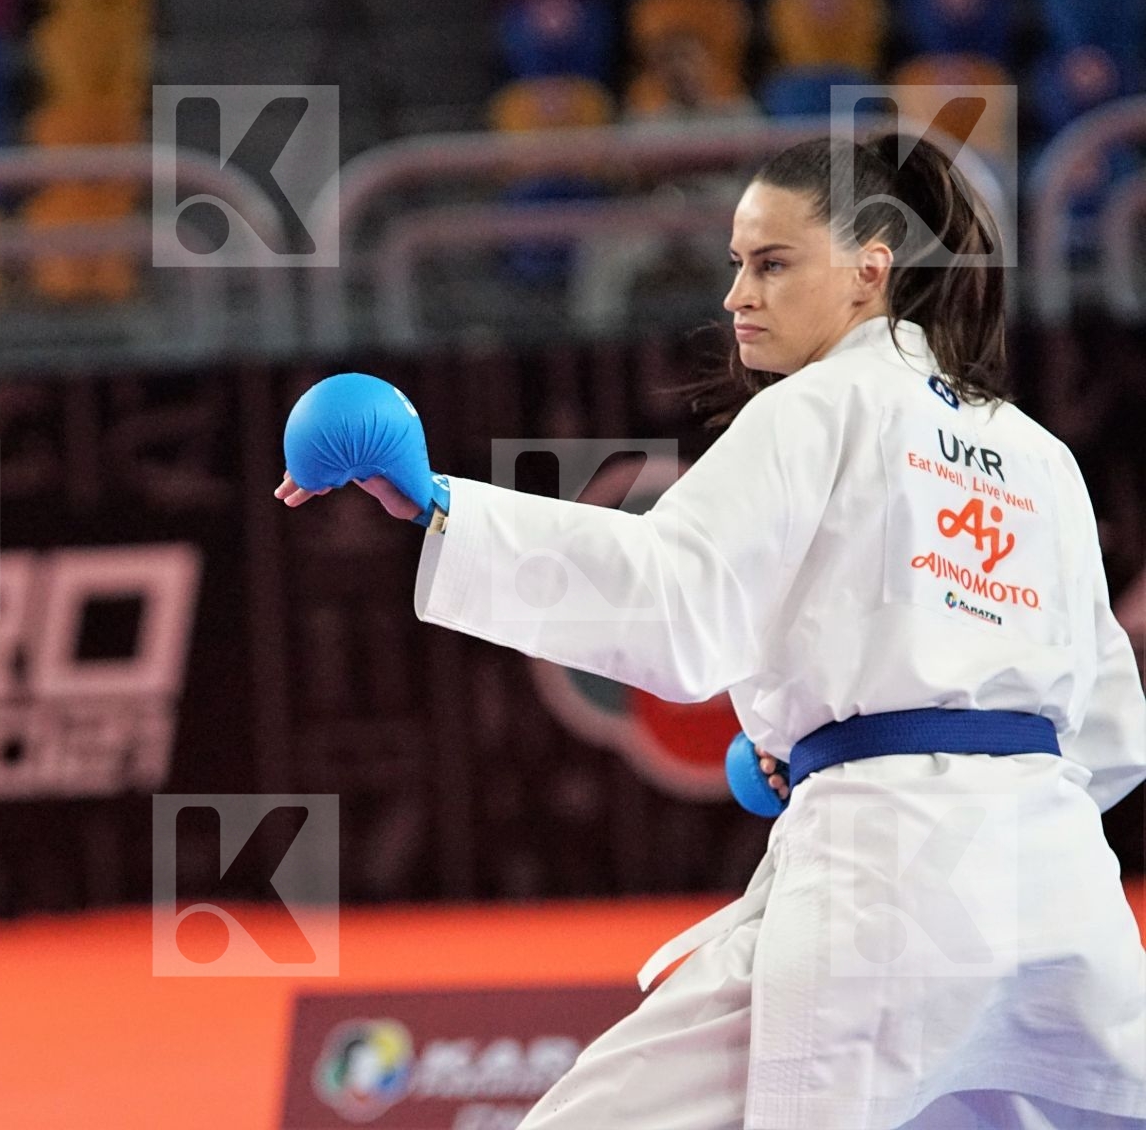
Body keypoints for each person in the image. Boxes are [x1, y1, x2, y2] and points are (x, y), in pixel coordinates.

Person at [276, 132, 1146, 1129]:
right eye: (737, 264)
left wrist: (438, 506)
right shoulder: (1039, 457)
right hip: (1064, 896)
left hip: (889, 882)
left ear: (872, 269)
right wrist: (822, 746)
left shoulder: (815, 409)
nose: (737, 295)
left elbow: (669, 597)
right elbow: (1112, 734)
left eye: (771, 264)